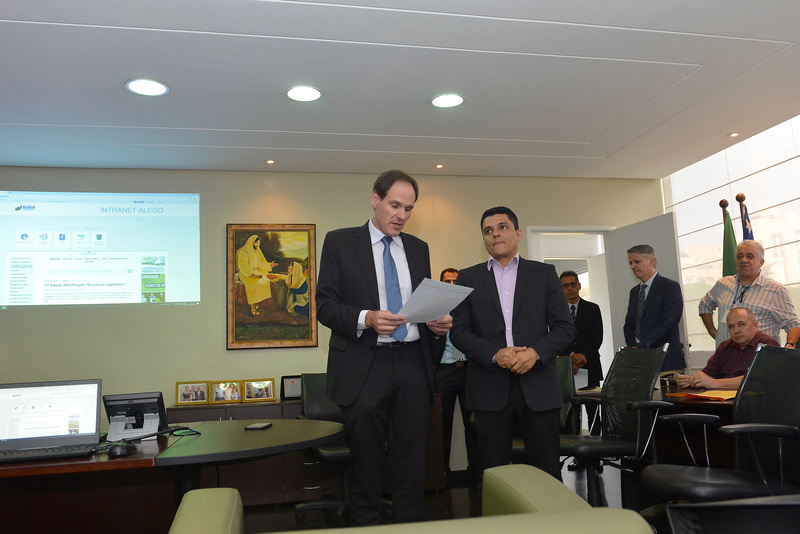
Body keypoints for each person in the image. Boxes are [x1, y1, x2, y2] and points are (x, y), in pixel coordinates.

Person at [316, 170, 452, 525]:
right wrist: (368, 318)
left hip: (413, 364)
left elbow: (420, 306)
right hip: (364, 365)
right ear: (375, 200)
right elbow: (325, 306)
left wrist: (436, 323)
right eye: (395, 205)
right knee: (367, 461)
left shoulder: (419, 248)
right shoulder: (340, 242)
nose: (401, 215)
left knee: (413, 461)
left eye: (408, 208)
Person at [450, 206, 574, 481]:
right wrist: (495, 354)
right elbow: (458, 332)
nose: (495, 234)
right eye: (488, 231)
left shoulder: (544, 274)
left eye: (502, 227)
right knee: (493, 476)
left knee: (546, 475)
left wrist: (536, 353)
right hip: (489, 389)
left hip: (539, 388)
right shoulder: (468, 278)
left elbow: (565, 328)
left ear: (518, 233)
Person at [699, 240, 800, 349]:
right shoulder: (722, 284)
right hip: (726, 356)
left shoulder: (776, 290)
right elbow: (704, 306)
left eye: (750, 256)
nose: (743, 260)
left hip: (760, 357)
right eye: (739, 256)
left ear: (761, 262)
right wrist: (713, 332)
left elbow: (793, 324)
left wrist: (790, 345)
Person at [431, 267, 478, 483]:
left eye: (455, 281)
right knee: (441, 427)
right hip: (444, 372)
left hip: (470, 371)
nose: (451, 285)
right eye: (447, 281)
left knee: (474, 426)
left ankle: (476, 476)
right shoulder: (433, 309)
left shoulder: (471, 307)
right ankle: (442, 476)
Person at [558, 270, 603, 470]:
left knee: (593, 413)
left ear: (579, 286)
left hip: (590, 366)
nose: (570, 288)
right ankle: (577, 454)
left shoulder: (593, 309)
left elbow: (597, 337)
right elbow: (556, 338)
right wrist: (571, 357)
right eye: (565, 285)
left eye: (572, 284)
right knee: (572, 413)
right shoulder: (557, 312)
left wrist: (582, 357)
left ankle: (595, 457)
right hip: (567, 370)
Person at [677, 307, 779, 389]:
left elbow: (757, 380)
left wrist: (714, 383)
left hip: (754, 401)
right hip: (723, 400)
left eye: (741, 324)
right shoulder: (725, 347)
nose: (736, 331)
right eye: (731, 327)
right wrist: (690, 380)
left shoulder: (768, 345)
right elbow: (708, 374)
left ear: (755, 325)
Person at [623, 244, 686, 372]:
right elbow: (629, 325)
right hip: (640, 361)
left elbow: (668, 324)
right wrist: (634, 348)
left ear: (651, 261)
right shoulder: (634, 292)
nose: (633, 266)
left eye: (637, 261)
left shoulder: (670, 287)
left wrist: (642, 346)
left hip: (666, 359)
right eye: (630, 263)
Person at [236, 235, 279, 316]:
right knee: (256, 284)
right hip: (246, 274)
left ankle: (256, 303)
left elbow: (260, 263)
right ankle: (252, 307)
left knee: (265, 281)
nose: (256, 244)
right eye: (255, 242)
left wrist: (270, 265)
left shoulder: (256, 252)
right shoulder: (243, 252)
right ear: (251, 242)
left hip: (255, 271)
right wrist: (250, 273)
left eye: (258, 243)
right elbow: (242, 266)